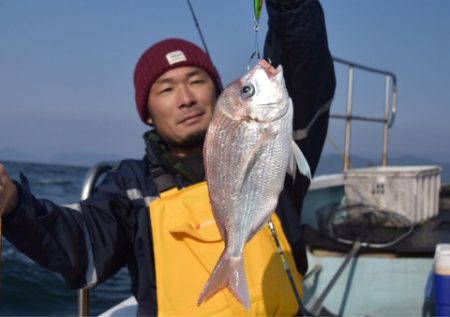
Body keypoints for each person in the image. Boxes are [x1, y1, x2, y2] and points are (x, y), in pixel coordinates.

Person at [0, 0, 335, 315]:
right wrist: (14, 205)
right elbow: (79, 244)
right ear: (147, 113)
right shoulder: (131, 188)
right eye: (166, 88)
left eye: (196, 81)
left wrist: (290, 6)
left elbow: (306, 66)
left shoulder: (275, 138)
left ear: (218, 92)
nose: (186, 98)